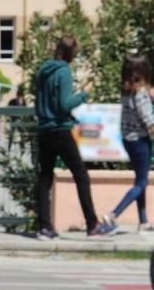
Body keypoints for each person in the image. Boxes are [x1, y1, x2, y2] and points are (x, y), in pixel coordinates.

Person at [35, 34, 117, 240]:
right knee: (81, 175)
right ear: (72, 54)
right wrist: (84, 93)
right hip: (60, 129)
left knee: (45, 177)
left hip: (44, 128)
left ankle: (44, 226)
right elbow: (64, 104)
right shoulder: (63, 72)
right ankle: (92, 224)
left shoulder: (43, 71)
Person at [103, 55, 154, 233]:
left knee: (139, 180)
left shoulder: (125, 90)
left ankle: (143, 221)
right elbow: (149, 120)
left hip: (127, 139)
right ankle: (113, 214)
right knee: (141, 183)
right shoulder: (141, 95)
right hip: (140, 141)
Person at [7, 87, 26, 151]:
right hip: (14, 119)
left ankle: (22, 147)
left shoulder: (23, 102)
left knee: (22, 134)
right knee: (12, 134)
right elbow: (8, 110)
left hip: (20, 120)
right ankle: (9, 148)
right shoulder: (12, 101)